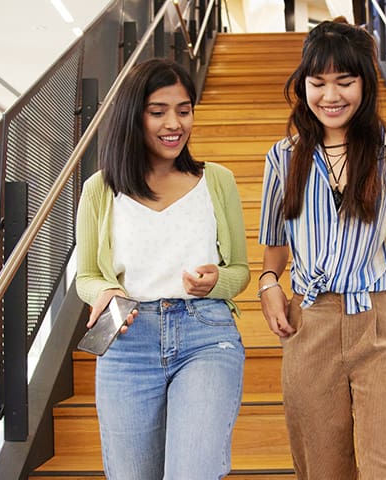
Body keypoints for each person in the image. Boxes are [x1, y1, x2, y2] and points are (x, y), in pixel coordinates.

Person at [257, 19, 386, 479]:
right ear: (304, 86)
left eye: (345, 82)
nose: (330, 96)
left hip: (384, 319)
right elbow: (274, 245)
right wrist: (269, 284)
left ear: (366, 84)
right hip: (309, 322)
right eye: (318, 83)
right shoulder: (283, 156)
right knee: (320, 469)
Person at [75, 58, 249, 480]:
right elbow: (86, 276)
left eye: (184, 110)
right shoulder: (100, 189)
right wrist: (105, 292)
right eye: (158, 112)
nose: (174, 123)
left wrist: (215, 282)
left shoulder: (218, 180)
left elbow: (240, 270)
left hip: (206, 335)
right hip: (128, 340)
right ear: (134, 116)